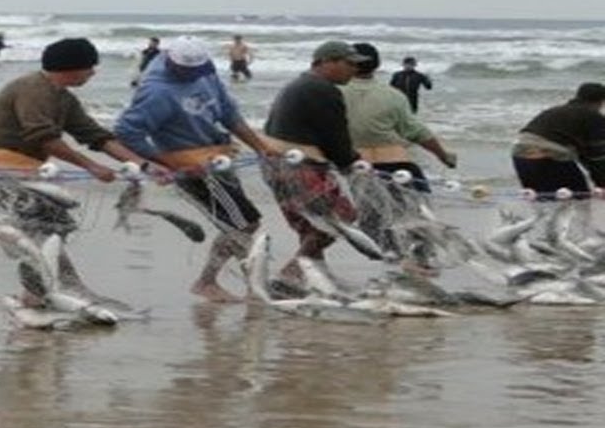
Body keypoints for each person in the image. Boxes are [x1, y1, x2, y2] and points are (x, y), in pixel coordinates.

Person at [0, 37, 167, 302]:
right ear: (71, 67)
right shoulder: (33, 89)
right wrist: (91, 166)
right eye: (90, 67)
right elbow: (44, 138)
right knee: (36, 230)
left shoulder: (64, 98)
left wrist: (142, 165)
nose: (94, 73)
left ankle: (47, 290)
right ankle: (49, 291)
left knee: (55, 225)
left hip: (24, 169)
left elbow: (96, 136)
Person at [115, 36, 274, 303]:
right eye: (187, 72)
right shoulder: (157, 92)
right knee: (243, 223)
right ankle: (240, 285)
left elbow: (228, 113)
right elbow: (127, 132)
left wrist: (260, 147)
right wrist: (164, 165)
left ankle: (213, 282)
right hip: (189, 165)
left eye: (198, 70)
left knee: (242, 223)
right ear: (171, 63)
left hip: (216, 155)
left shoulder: (206, 71)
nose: (194, 75)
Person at [341, 42, 457, 266]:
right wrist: (443, 155)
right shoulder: (393, 95)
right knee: (417, 220)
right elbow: (416, 132)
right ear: (377, 66)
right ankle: (420, 266)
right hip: (399, 165)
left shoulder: (334, 93)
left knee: (373, 223)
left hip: (361, 169)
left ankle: (395, 266)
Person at [262, 40, 368, 284]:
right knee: (341, 217)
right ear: (326, 62)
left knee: (310, 226)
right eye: (349, 64)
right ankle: (293, 271)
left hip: (275, 163)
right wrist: (353, 163)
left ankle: (315, 276)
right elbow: (336, 141)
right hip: (300, 166)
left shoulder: (299, 84)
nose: (355, 70)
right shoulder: (323, 90)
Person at [511, 82, 605, 196]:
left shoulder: (555, 111)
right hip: (548, 156)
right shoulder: (594, 117)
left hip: (520, 155)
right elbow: (596, 157)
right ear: (601, 101)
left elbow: (584, 155)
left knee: (542, 199)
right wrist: (601, 185)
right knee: (581, 196)